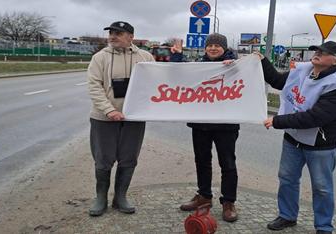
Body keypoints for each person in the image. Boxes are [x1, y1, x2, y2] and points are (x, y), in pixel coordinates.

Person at [259, 41, 336, 234]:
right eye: (318, 50)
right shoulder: (304, 71)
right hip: (293, 140)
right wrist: (262, 60)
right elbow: (279, 81)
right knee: (287, 178)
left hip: (320, 145)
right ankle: (287, 216)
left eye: (324, 52)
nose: (318, 53)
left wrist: (278, 121)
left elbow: (316, 117)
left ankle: (323, 227)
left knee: (322, 188)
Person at [86, 21, 155, 216]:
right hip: (104, 119)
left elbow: (157, 81)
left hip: (134, 119)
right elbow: (94, 87)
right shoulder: (100, 58)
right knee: (103, 159)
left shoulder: (145, 57)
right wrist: (109, 110)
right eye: (111, 33)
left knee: (128, 159)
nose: (113, 36)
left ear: (131, 37)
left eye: (119, 33)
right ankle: (101, 197)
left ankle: (120, 197)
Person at [170, 34, 240, 222]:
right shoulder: (198, 65)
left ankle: (228, 202)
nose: (213, 48)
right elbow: (179, 73)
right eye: (210, 45)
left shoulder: (234, 65)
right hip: (201, 124)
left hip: (226, 124)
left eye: (218, 45)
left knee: (227, 163)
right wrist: (177, 55)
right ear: (205, 48)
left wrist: (234, 64)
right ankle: (204, 196)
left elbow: (248, 77)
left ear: (224, 48)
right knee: (202, 161)